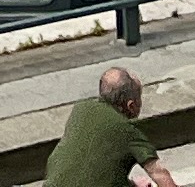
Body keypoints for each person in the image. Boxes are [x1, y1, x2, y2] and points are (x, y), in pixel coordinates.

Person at [42, 65, 176, 187]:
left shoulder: (82, 108)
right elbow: (160, 174)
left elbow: (94, 170)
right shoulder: (129, 132)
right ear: (131, 105)